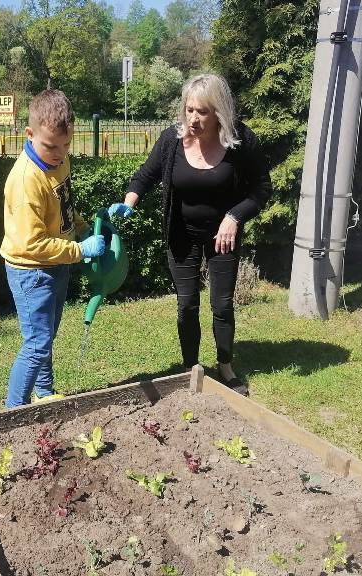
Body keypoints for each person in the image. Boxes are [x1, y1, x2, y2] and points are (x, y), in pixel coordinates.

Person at [108, 74, 272, 394]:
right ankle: (191, 367)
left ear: (219, 113)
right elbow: (145, 175)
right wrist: (129, 202)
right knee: (186, 304)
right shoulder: (172, 140)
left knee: (221, 304)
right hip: (181, 234)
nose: (193, 119)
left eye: (202, 112)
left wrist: (234, 217)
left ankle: (225, 365)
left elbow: (262, 189)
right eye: (189, 110)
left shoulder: (240, 141)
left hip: (223, 236)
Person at [0, 89, 105, 408]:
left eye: (66, 145)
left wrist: (82, 227)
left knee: (46, 337)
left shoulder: (58, 160)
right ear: (29, 134)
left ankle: (44, 393)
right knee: (37, 344)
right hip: (31, 271)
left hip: (56, 264)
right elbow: (32, 245)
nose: (59, 154)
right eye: (51, 146)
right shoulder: (26, 181)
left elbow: (64, 205)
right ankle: (13, 412)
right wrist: (81, 250)